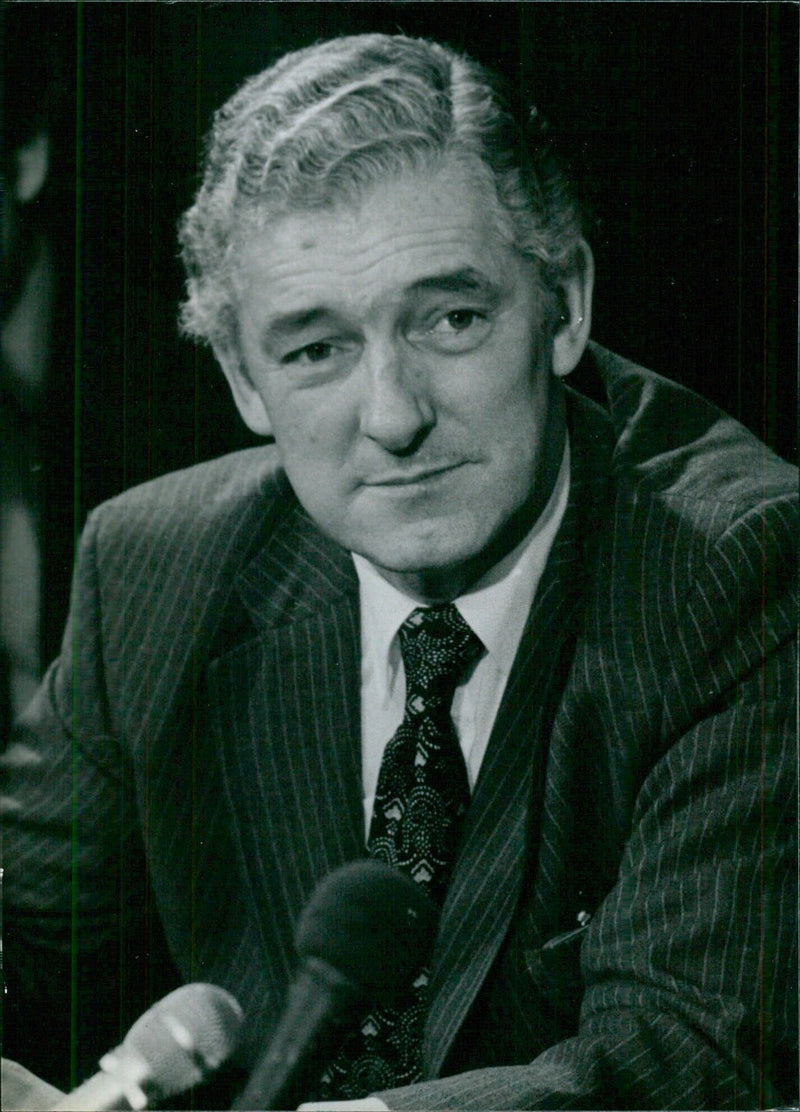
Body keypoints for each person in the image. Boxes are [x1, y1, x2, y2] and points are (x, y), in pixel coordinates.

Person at [2, 33, 796, 1111]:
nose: (391, 415)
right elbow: (25, 939)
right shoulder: (153, 565)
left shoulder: (738, 568)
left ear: (561, 303)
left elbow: (691, 1056)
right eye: (315, 349)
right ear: (242, 377)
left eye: (451, 319)